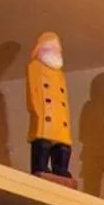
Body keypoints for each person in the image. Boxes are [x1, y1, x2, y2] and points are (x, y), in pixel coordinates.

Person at [26, 32, 73, 185]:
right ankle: (40, 166)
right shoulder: (34, 67)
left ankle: (60, 168)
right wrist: (37, 111)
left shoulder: (60, 74)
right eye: (51, 48)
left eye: (58, 50)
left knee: (63, 146)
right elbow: (33, 91)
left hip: (60, 118)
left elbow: (63, 97)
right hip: (44, 116)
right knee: (43, 142)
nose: (56, 52)